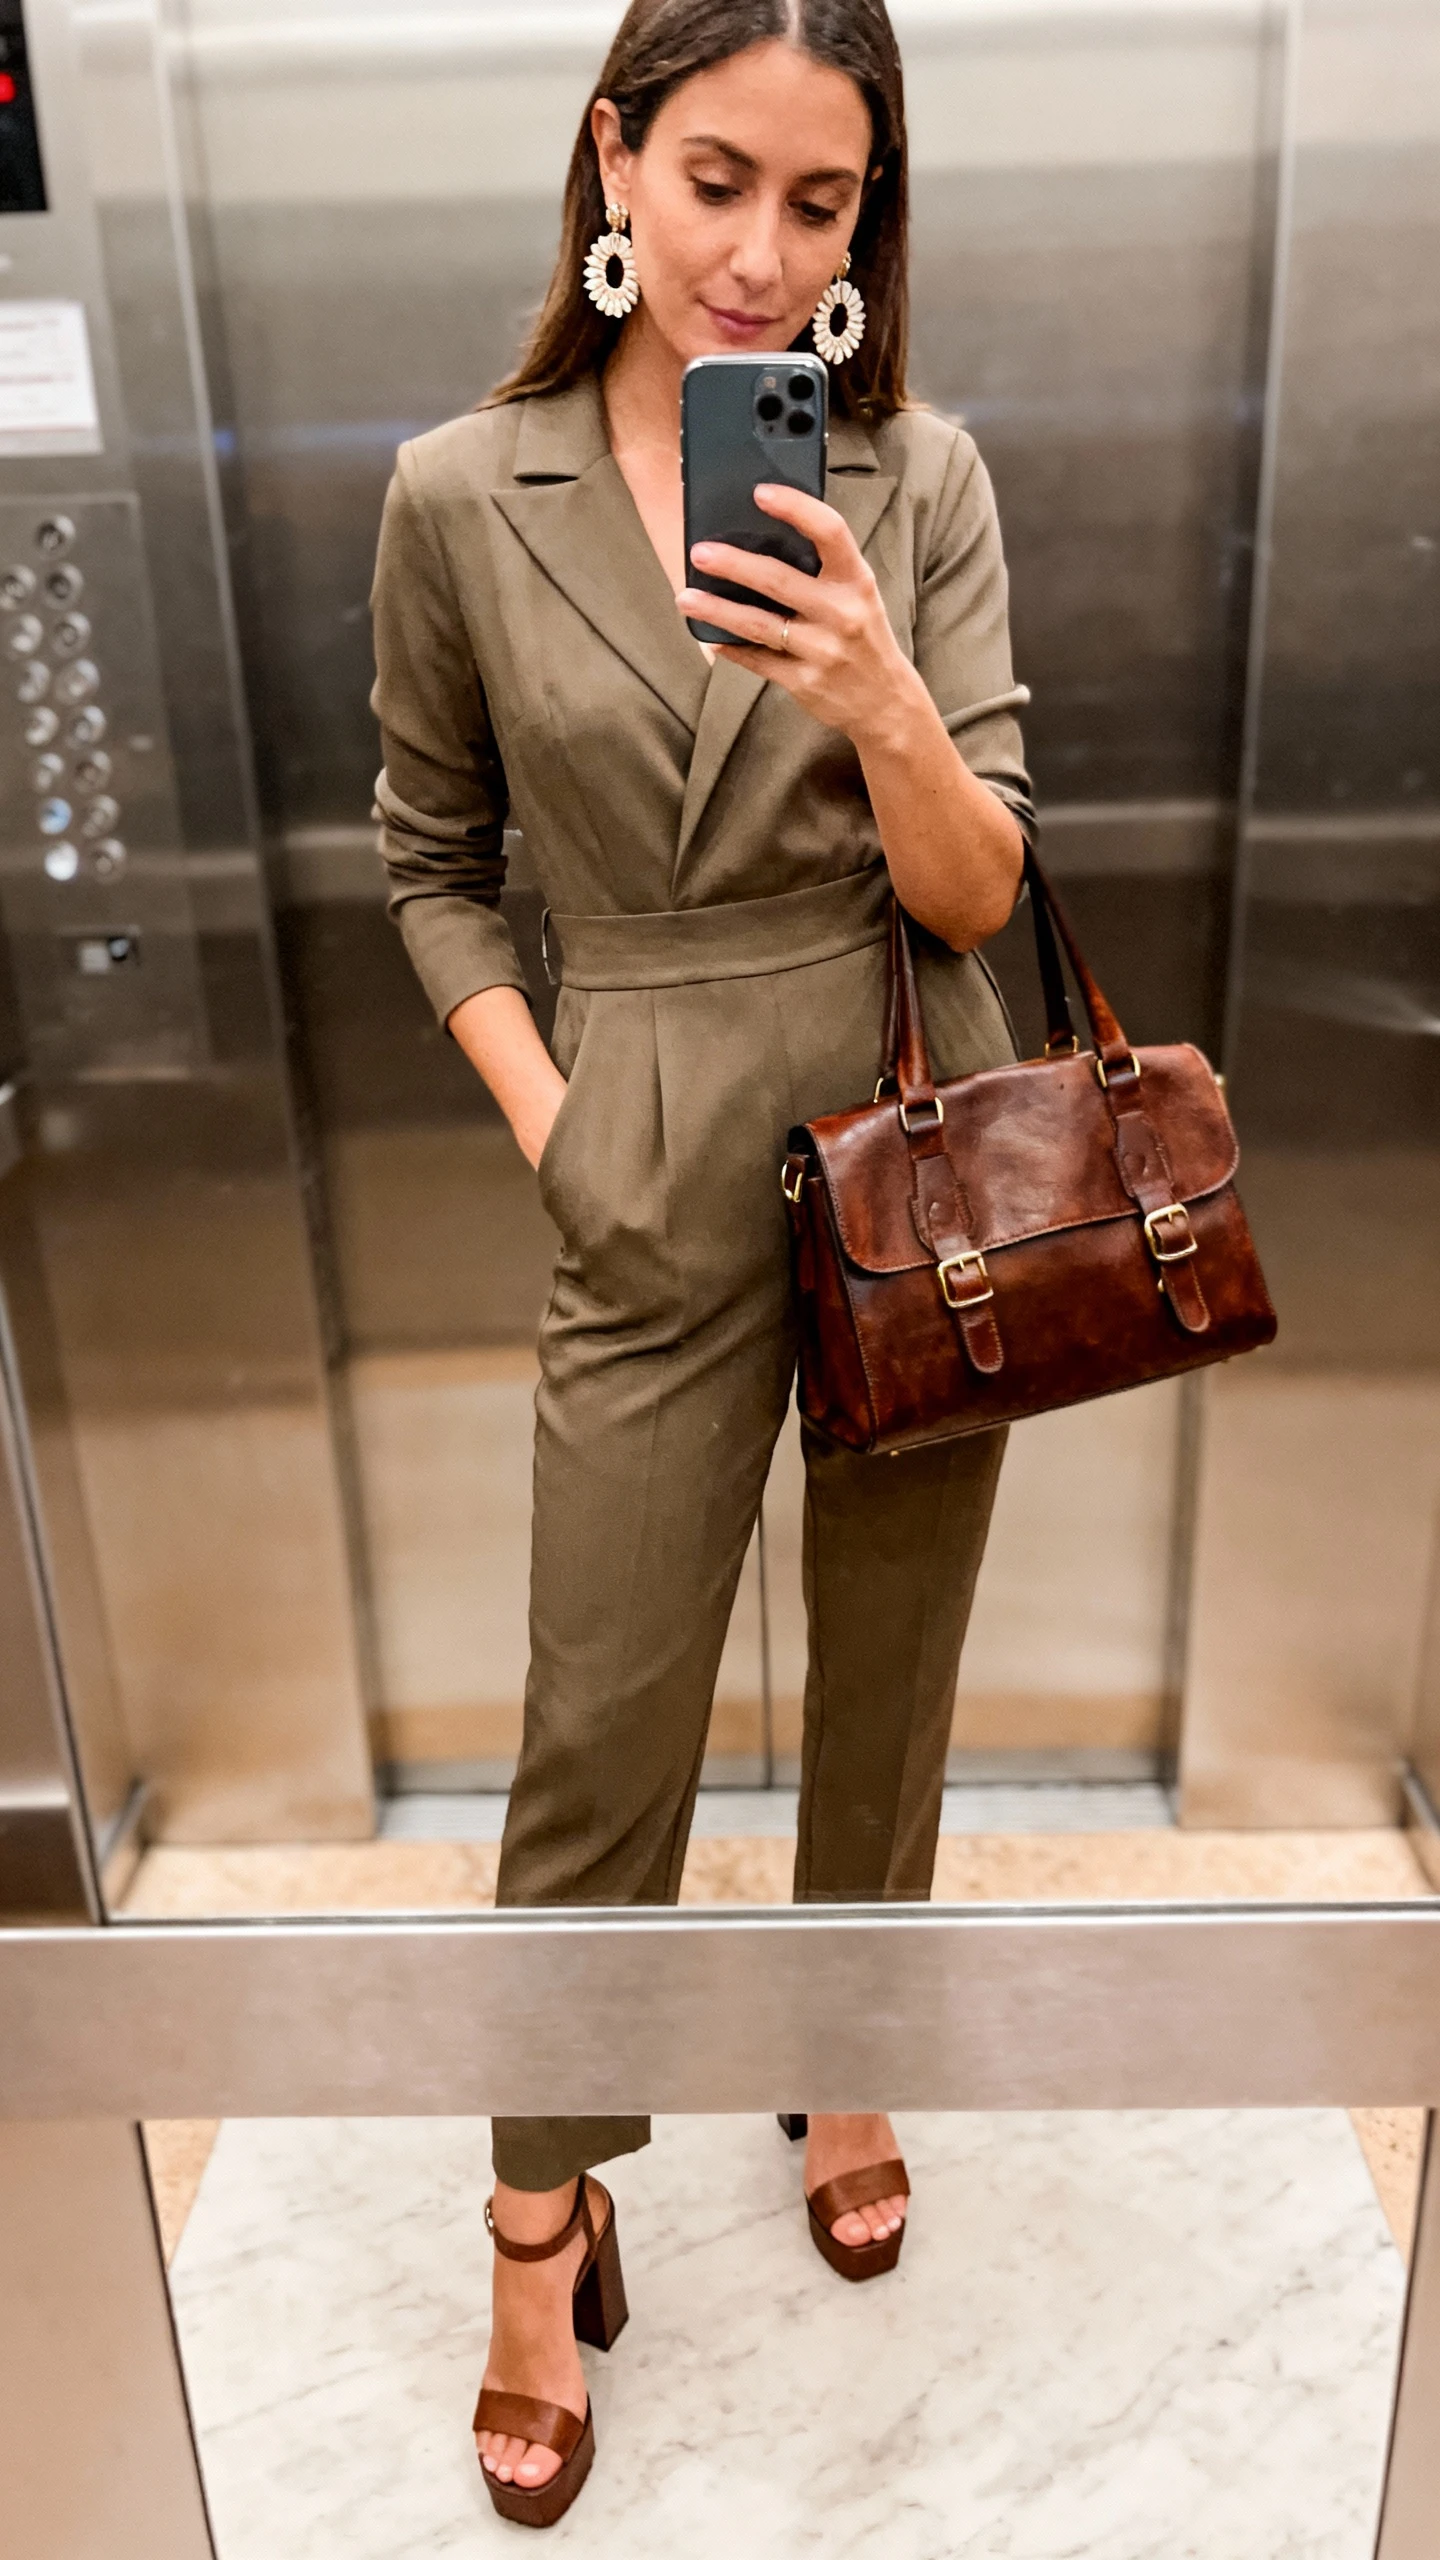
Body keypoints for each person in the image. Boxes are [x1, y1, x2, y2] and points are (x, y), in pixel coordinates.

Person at [370, 0, 1033, 2525]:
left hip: (906, 1133)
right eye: (721, 178)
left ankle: (838, 2045)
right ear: (614, 164)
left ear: (870, 232)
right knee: (597, 1718)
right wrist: (559, 1121)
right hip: (628, 1130)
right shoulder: (465, 488)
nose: (763, 252)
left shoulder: (918, 476)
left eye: (826, 203)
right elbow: (431, 855)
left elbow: (981, 880)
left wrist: (877, 688)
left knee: (890, 1664)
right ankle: (541, 2216)